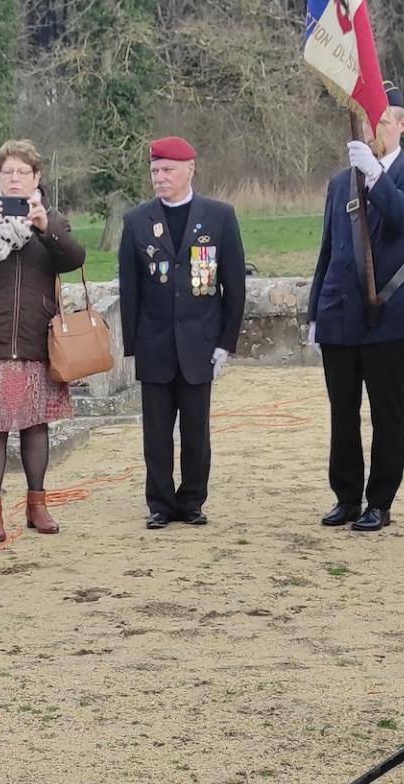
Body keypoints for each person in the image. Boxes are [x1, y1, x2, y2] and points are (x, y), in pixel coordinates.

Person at [308, 85, 404, 533]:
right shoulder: (340, 181)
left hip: (388, 313)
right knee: (341, 411)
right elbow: (329, 251)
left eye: (382, 120)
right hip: (340, 312)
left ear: (402, 125)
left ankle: (379, 500)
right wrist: (314, 312)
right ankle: (346, 495)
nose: (372, 128)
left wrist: (378, 180)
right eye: (367, 120)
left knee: (386, 411)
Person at [117, 136, 246, 529]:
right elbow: (131, 289)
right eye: (155, 171)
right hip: (155, 343)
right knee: (155, 432)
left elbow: (234, 285)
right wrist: (133, 345)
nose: (160, 177)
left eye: (168, 170)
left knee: (195, 430)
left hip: (199, 343)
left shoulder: (219, 217)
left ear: (190, 169)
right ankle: (159, 502)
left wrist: (226, 342)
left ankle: (192, 500)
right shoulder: (137, 221)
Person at [0, 138, 86, 543]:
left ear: (36, 177)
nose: (14, 178)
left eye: (22, 172)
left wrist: (45, 227)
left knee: (36, 426)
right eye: (7, 172)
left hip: (37, 337)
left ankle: (38, 506)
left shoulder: (49, 218)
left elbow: (74, 258)